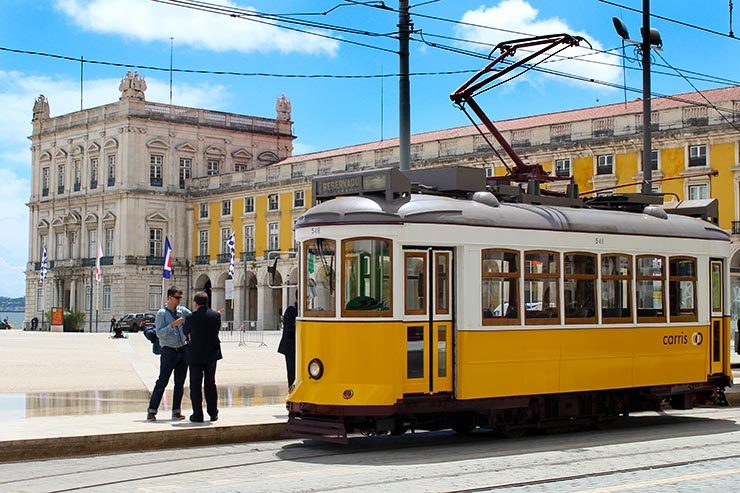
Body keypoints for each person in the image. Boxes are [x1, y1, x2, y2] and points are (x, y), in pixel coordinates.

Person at [146, 286, 191, 422]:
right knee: (162, 381)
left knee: (180, 383)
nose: (179, 301)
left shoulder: (182, 311)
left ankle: (176, 411)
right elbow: (159, 333)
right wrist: (172, 325)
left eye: (180, 298)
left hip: (182, 350)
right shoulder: (161, 313)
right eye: (177, 298)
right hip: (169, 351)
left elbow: (194, 318)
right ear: (170, 298)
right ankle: (152, 411)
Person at [183, 291, 222, 423]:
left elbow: (185, 332)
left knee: (195, 384)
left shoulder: (190, 317)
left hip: (195, 354)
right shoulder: (216, 315)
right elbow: (216, 329)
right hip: (212, 353)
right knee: (210, 383)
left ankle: (197, 414)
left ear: (195, 303)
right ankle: (213, 413)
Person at [278, 300, 298, 389]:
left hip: (295, 346)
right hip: (290, 346)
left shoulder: (298, 310)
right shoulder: (291, 310)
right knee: (292, 371)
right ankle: (291, 390)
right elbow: (289, 328)